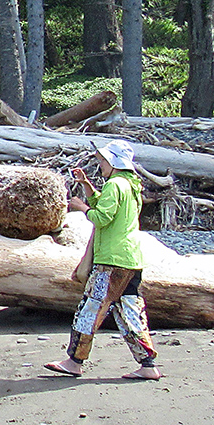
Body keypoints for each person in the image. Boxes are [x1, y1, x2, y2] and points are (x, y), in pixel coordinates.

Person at [45, 138, 160, 381]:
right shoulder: (130, 185)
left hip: (111, 261)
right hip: (131, 260)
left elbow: (101, 217)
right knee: (130, 310)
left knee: (90, 307)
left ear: (112, 162)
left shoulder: (114, 185)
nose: (101, 166)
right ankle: (147, 364)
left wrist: (81, 207)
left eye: (102, 161)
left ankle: (74, 361)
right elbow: (110, 208)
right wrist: (86, 185)